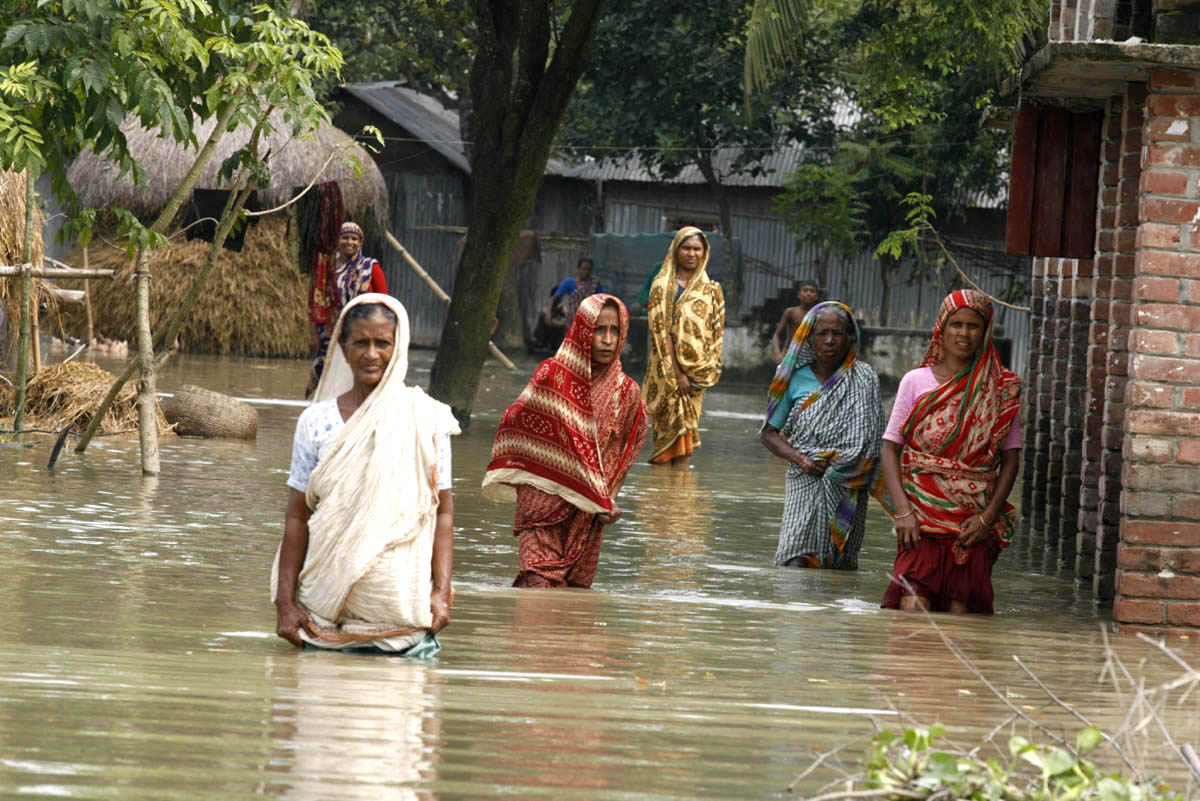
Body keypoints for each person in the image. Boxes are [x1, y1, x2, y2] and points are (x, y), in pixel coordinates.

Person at [273, 293, 460, 654]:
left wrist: (440, 595)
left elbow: (443, 513)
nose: (371, 354)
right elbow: (297, 516)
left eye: (382, 343)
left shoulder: (426, 420)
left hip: (404, 626)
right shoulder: (316, 422)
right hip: (320, 621)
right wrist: (285, 603)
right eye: (360, 343)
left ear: (399, 346)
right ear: (343, 349)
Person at [483, 294, 647, 588]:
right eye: (599, 330)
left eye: (615, 331)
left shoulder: (627, 392)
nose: (608, 340)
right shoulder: (552, 375)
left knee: (572, 599)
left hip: (586, 516)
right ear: (583, 329)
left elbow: (622, 453)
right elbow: (516, 428)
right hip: (541, 508)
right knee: (536, 583)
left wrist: (609, 498)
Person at [878, 289, 1022, 615]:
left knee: (961, 613)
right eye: (956, 324)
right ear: (941, 329)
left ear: (985, 333)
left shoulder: (1003, 389)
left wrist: (987, 519)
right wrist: (902, 512)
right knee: (912, 605)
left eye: (974, 326)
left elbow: (1011, 461)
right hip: (920, 520)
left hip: (973, 522)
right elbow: (890, 448)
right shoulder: (915, 382)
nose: (964, 333)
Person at [760, 302, 883, 569]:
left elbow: (873, 441)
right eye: (822, 333)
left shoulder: (864, 378)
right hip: (804, 479)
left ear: (850, 338)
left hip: (847, 485)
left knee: (839, 566)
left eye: (837, 333)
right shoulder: (791, 379)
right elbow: (768, 434)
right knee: (794, 560)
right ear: (809, 338)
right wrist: (802, 459)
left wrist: (844, 463)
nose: (829, 340)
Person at [642, 227, 726, 467]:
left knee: (687, 445)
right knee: (666, 444)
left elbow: (715, 332)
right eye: (686, 248)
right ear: (676, 250)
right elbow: (661, 331)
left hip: (697, 374)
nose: (691, 254)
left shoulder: (710, 289)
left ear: (704, 252)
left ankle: (679, 497)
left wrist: (705, 368)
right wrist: (677, 374)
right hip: (670, 373)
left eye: (697, 249)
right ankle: (661, 496)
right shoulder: (663, 285)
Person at [305, 221, 388, 398]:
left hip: (362, 331)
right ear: (337, 240)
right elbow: (315, 301)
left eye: (354, 239)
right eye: (345, 238)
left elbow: (385, 301)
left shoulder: (370, 267)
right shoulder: (327, 269)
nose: (349, 242)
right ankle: (327, 406)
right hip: (330, 333)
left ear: (360, 243)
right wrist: (313, 333)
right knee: (328, 374)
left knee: (354, 372)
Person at [771, 280, 821, 363]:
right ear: (798, 295)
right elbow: (776, 334)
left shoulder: (820, 315)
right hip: (790, 354)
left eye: (812, 291)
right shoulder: (791, 312)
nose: (808, 293)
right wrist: (778, 354)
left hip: (811, 355)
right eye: (805, 290)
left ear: (816, 296)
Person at [553, 257, 606, 324]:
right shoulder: (569, 282)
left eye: (589, 270)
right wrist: (548, 314)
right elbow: (555, 297)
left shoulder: (595, 284)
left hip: (589, 319)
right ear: (578, 269)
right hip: (572, 320)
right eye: (584, 269)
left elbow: (602, 299)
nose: (586, 272)